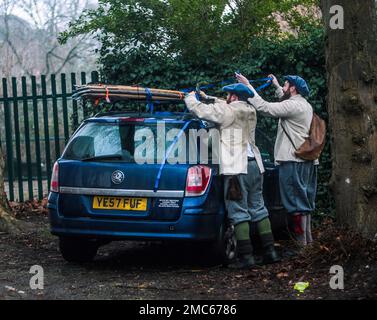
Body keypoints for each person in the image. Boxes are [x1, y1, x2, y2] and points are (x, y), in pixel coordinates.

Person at [184, 83, 280, 269]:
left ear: (234, 96)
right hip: (255, 165)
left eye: (228, 94)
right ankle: (271, 252)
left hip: (236, 167)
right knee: (259, 209)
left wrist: (190, 97)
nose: (226, 97)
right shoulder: (250, 110)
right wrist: (209, 97)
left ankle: (246, 257)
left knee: (238, 211)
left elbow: (201, 111)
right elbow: (224, 106)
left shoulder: (228, 112)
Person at [237, 73, 317, 247]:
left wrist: (248, 86)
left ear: (293, 88)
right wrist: (277, 85)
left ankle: (301, 246)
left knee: (296, 204)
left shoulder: (293, 106)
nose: (284, 88)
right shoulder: (304, 105)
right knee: (305, 203)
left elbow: (265, 107)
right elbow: (285, 99)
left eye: (287, 85)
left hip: (292, 160)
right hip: (306, 160)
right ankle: (308, 244)